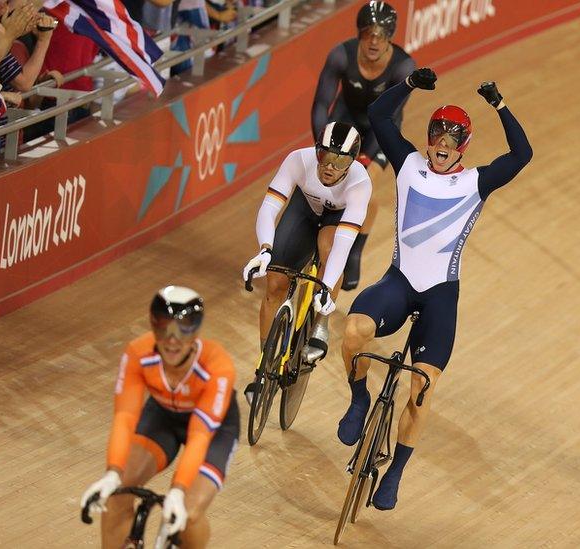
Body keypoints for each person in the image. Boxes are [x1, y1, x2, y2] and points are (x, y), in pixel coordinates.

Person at [337, 68, 532, 510]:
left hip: (440, 294)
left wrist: (500, 106)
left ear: (461, 147)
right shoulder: (407, 163)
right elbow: (378, 114)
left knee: (421, 389)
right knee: (352, 333)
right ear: (428, 140)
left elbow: (522, 154)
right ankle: (358, 399)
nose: (441, 148)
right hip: (399, 282)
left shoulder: (475, 182)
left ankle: (396, 472)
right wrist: (406, 85)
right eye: (437, 139)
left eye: (451, 142)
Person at [79, 286, 239, 549]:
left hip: (213, 431)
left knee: (190, 513)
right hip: (163, 418)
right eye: (164, 326)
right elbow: (125, 417)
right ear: (153, 326)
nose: (172, 339)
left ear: (196, 331)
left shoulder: (217, 366)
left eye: (183, 327)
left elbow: (200, 435)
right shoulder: (138, 353)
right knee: (117, 495)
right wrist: (113, 473)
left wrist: (177, 489)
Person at [242, 121, 372, 375]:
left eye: (341, 162)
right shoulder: (298, 160)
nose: (330, 167)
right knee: (275, 283)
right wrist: (265, 249)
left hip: (337, 219)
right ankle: (264, 365)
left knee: (328, 246)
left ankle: (320, 323)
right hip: (305, 209)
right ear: (316, 151)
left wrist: (327, 286)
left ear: (353, 162)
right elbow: (269, 207)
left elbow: (342, 247)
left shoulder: (360, 184)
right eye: (324, 157)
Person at [311, 0, 416, 291]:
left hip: (380, 128)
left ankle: (355, 250)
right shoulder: (341, 55)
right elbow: (321, 104)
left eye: (380, 35)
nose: (373, 40)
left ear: (390, 38)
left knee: (363, 187)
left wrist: (365, 160)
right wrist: (321, 146)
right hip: (345, 119)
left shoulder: (403, 67)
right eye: (368, 33)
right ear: (359, 34)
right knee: (324, 173)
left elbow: (388, 117)